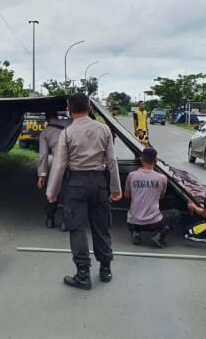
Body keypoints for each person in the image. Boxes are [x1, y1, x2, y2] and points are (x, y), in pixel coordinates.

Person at [47, 93, 122, 290]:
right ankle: (105, 269)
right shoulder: (104, 129)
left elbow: (60, 165)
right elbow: (112, 161)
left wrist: (52, 192)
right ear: (90, 109)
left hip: (76, 184)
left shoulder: (67, 133)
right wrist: (115, 188)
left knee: (77, 228)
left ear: (69, 110)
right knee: (101, 225)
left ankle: (83, 275)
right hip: (99, 183)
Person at [124, 148, 170, 248]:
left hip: (132, 222)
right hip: (153, 223)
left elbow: (127, 196)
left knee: (133, 211)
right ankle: (159, 236)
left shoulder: (131, 176)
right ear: (156, 160)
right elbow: (161, 197)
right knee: (175, 214)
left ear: (141, 159)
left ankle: (136, 232)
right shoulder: (162, 178)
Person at [37, 110, 71, 230]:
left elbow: (43, 155)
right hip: (73, 163)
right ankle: (65, 222)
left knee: (52, 192)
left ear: (46, 119)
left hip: (57, 163)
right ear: (57, 116)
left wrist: (42, 175)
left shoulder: (45, 132)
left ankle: (50, 219)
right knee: (69, 192)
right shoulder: (69, 122)